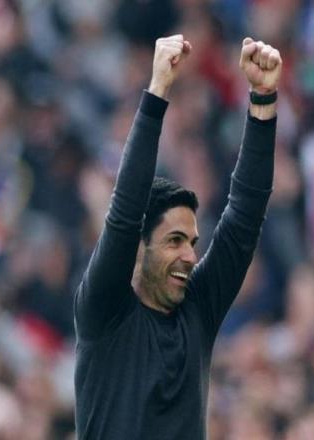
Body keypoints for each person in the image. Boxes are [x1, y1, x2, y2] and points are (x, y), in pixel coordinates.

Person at [74, 34, 282, 439]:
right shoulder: (104, 310)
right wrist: (157, 91)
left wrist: (263, 99)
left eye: (192, 242)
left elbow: (244, 217)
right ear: (139, 246)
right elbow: (124, 213)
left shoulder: (198, 311)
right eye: (174, 240)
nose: (189, 255)